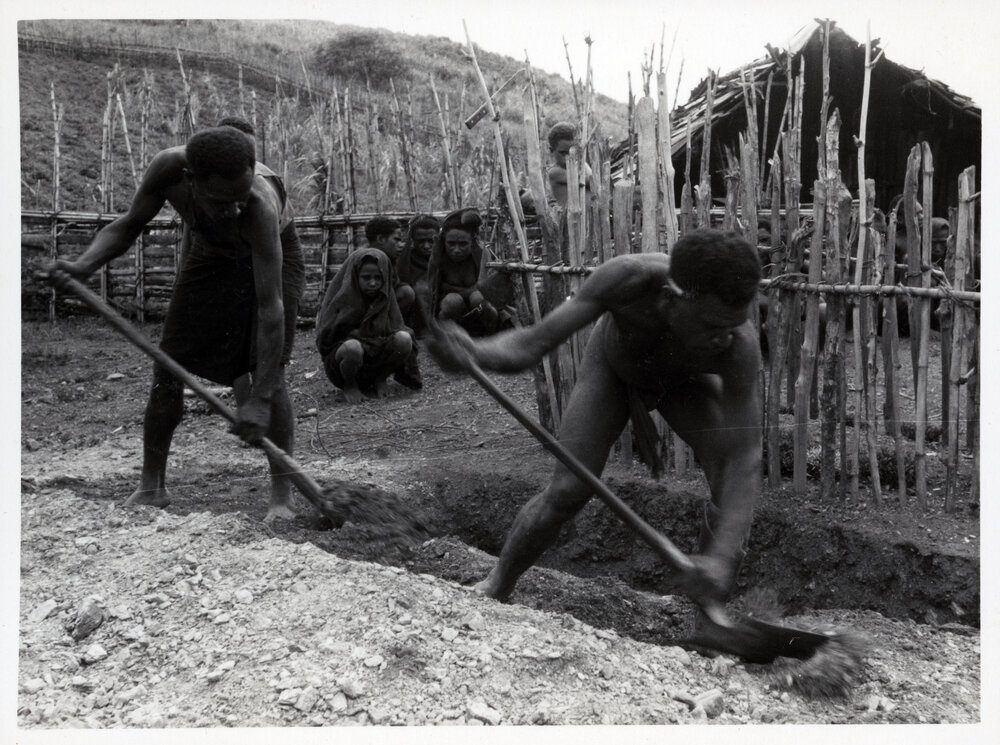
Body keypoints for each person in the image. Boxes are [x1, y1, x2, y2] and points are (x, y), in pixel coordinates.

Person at [429, 228, 763, 615]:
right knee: (569, 488)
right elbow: (531, 344)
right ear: (673, 297)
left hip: (682, 385)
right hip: (613, 368)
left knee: (727, 481)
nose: (724, 339)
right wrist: (474, 351)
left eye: (732, 326)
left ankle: (710, 620)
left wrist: (720, 560)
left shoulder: (738, 346)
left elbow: (745, 456)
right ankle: (497, 583)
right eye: (711, 326)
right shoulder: (627, 278)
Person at [47, 126, 304, 522]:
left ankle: (282, 496)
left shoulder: (259, 208)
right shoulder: (167, 169)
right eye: (223, 201)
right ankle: (152, 487)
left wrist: (260, 398)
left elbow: (271, 311)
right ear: (190, 182)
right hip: (208, 251)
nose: (234, 210)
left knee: (269, 371)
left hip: (271, 250)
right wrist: (83, 265)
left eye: (241, 198)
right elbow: (129, 224)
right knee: (168, 365)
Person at [315, 249, 414, 403]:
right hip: (344, 364)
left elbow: (397, 328)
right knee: (352, 348)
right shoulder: (342, 299)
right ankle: (350, 386)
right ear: (355, 276)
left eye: (378, 278)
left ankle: (380, 379)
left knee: (405, 339)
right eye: (366, 278)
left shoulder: (385, 298)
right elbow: (325, 340)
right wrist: (355, 334)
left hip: (376, 360)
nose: (373, 283)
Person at [365, 215, 423, 390]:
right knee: (405, 334)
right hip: (364, 314)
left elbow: (393, 290)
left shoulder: (388, 259)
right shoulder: (370, 261)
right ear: (381, 239)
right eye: (396, 239)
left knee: (407, 293)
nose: (401, 244)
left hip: (381, 309)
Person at [427, 208, 498, 335]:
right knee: (452, 301)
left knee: (478, 299)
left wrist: (453, 288)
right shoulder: (439, 255)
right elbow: (434, 289)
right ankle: (449, 338)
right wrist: (469, 291)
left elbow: (484, 289)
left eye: (463, 244)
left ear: (473, 242)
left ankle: (486, 336)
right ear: (444, 242)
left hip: (478, 309)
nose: (456, 250)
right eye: (451, 244)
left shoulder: (481, 253)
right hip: (449, 310)